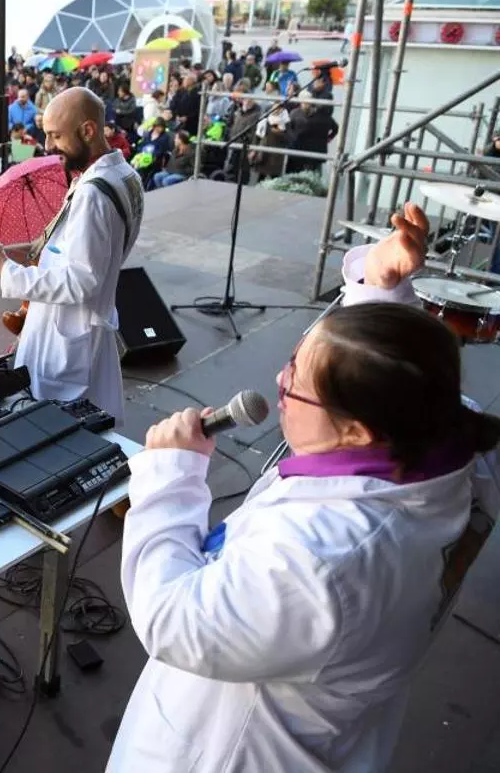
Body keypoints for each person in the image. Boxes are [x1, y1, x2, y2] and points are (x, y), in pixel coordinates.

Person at [109, 203, 500, 773]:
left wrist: (171, 477)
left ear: (358, 430)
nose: (279, 380)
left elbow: (175, 620)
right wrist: (382, 290)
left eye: (295, 384)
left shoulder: (322, 563)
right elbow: (391, 369)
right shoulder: (443, 434)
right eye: (294, 360)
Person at [0, 87, 143, 423]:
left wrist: (8, 272)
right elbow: (95, 253)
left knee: (56, 423)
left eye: (56, 135)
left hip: (67, 334)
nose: (48, 146)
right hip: (83, 329)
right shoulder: (125, 175)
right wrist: (37, 252)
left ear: (88, 130)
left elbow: (81, 281)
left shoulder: (93, 194)